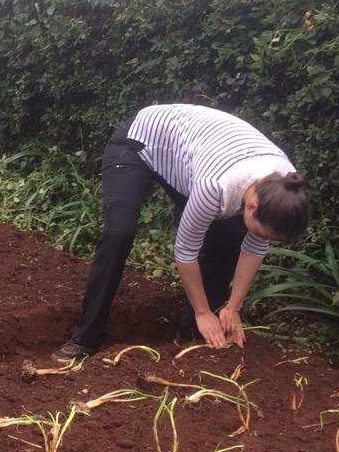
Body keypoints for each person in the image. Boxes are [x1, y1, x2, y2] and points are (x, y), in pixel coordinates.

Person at [54, 104, 311, 361]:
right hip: (139, 143)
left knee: (230, 238)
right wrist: (203, 311)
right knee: (118, 234)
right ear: (252, 207)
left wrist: (234, 307)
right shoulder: (215, 187)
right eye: (262, 233)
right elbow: (185, 252)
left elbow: (254, 246)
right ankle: (85, 337)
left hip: (188, 155)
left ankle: (190, 334)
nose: (262, 240)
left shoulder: (285, 185)